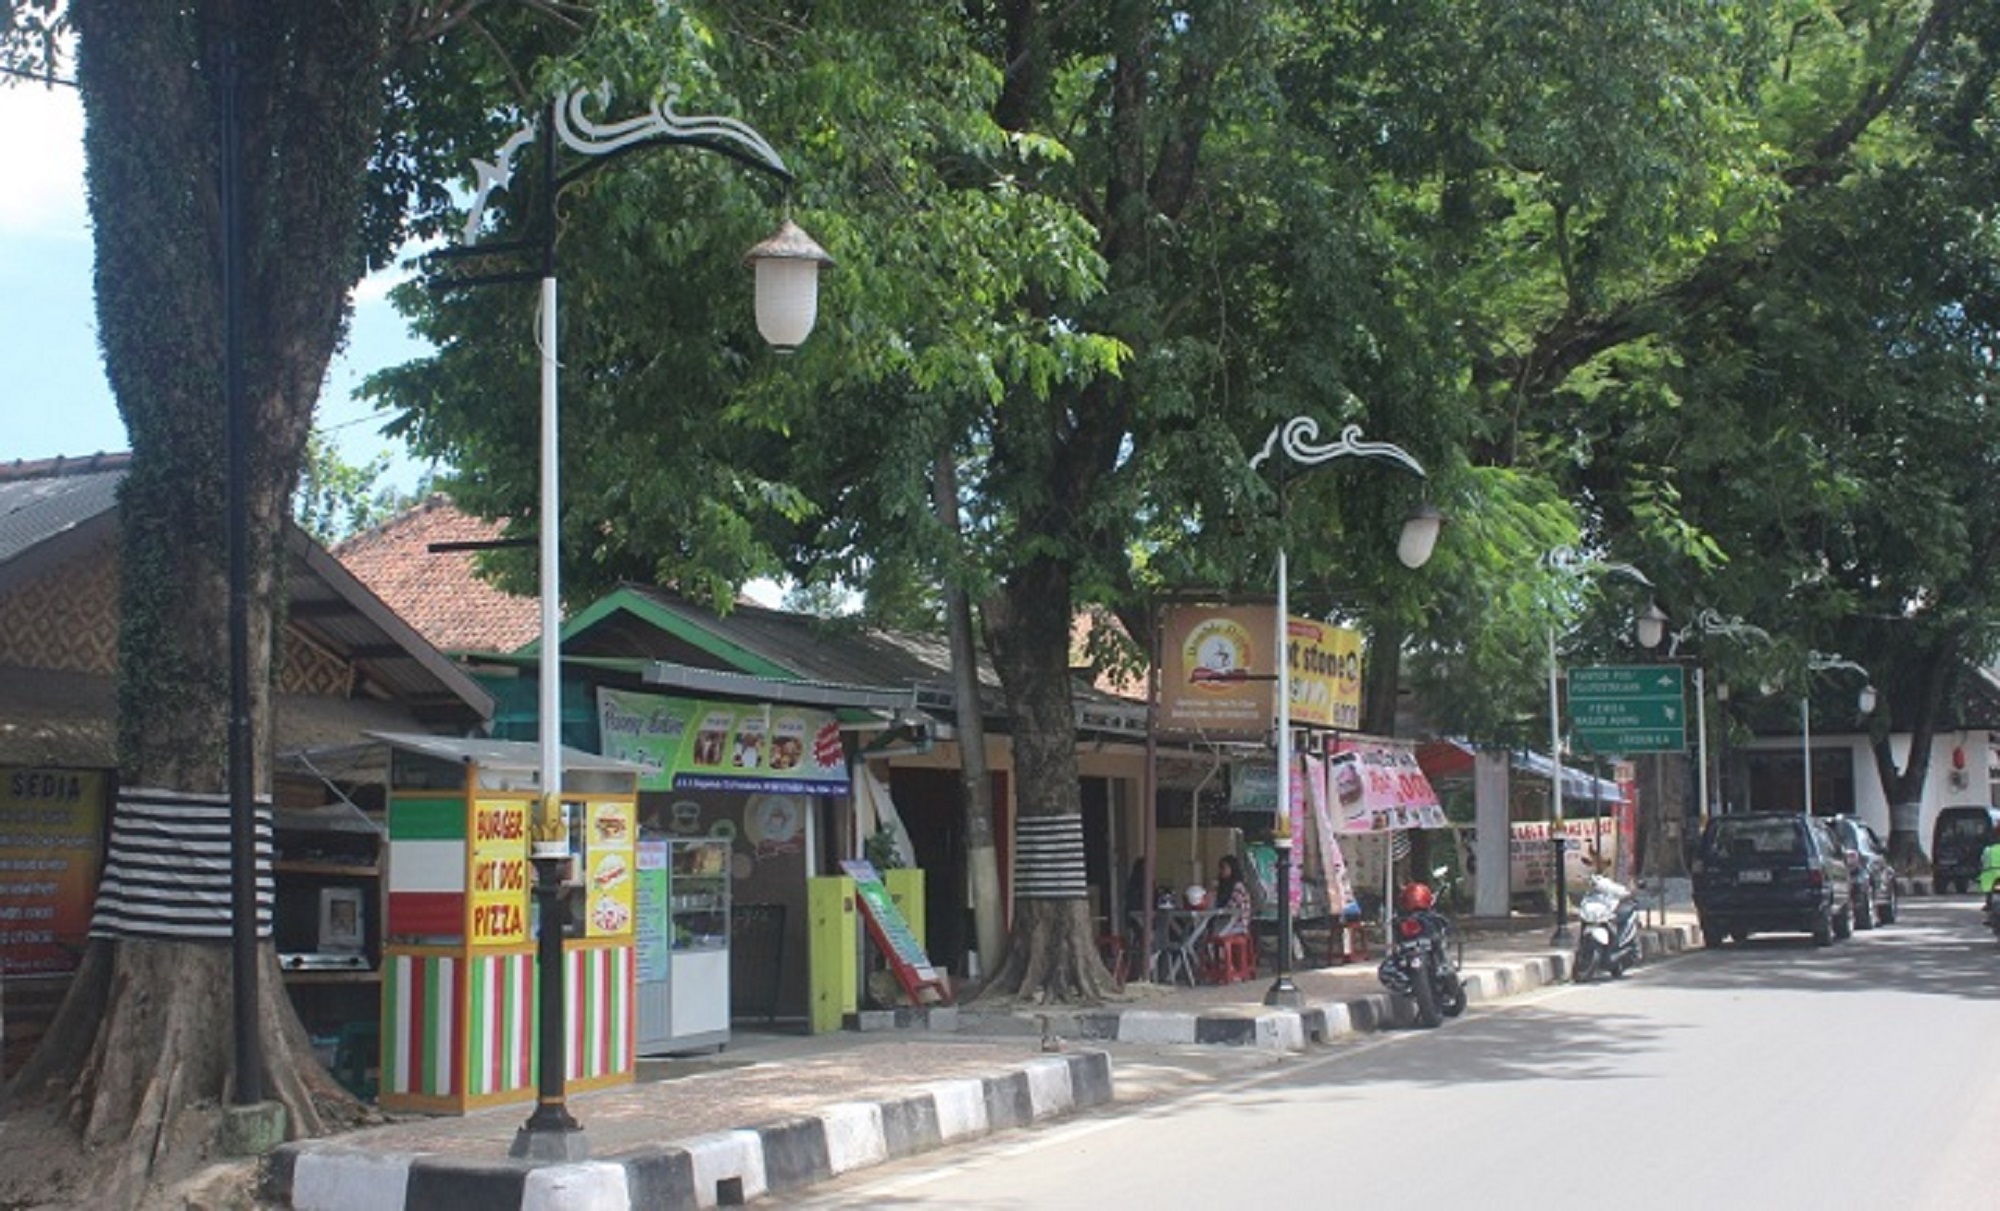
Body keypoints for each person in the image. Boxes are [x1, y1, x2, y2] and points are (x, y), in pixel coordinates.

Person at [1213, 853, 1252, 937]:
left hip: (1238, 925)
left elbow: (1231, 909)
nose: (1221, 871)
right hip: (1227, 922)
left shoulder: (1238, 887)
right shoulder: (1225, 886)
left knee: (1212, 930)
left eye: (1223, 868)